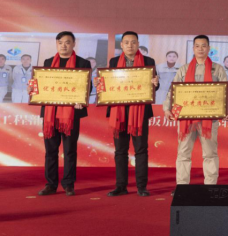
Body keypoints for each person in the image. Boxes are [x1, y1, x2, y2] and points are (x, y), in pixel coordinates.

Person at [96, 32, 159, 197]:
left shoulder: (148, 61)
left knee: (141, 150)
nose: (130, 45)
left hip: (140, 111)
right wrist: (100, 83)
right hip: (119, 111)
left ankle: (141, 187)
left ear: (138, 44)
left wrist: (155, 83)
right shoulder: (114, 62)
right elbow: (109, 84)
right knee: (120, 151)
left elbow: (153, 86)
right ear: (121, 45)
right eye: (126, 42)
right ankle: (121, 186)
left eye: (133, 42)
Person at [163, 35, 228, 187]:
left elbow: (225, 91)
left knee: (210, 154)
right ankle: (182, 186)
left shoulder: (217, 69)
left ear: (208, 48)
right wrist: (167, 108)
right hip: (186, 119)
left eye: (204, 46)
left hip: (209, 119)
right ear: (193, 48)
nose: (200, 49)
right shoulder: (184, 69)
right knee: (183, 153)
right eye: (197, 46)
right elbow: (173, 90)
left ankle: (210, 186)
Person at [34, 32, 91, 196]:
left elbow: (87, 87)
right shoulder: (48, 62)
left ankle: (68, 184)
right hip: (50, 113)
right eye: (60, 42)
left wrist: (82, 99)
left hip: (71, 113)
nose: (63, 45)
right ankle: (51, 184)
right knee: (50, 151)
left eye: (67, 42)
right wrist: (33, 89)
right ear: (56, 44)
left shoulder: (82, 62)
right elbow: (42, 84)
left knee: (70, 150)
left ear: (73, 44)